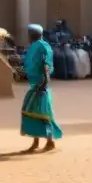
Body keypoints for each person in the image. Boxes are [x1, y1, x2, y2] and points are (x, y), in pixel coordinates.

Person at [20, 23, 62, 153]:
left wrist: (43, 85)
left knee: (44, 115)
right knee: (31, 114)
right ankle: (36, 142)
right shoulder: (33, 47)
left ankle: (50, 142)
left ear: (32, 34)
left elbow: (45, 67)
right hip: (35, 86)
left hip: (41, 87)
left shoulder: (43, 47)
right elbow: (31, 65)